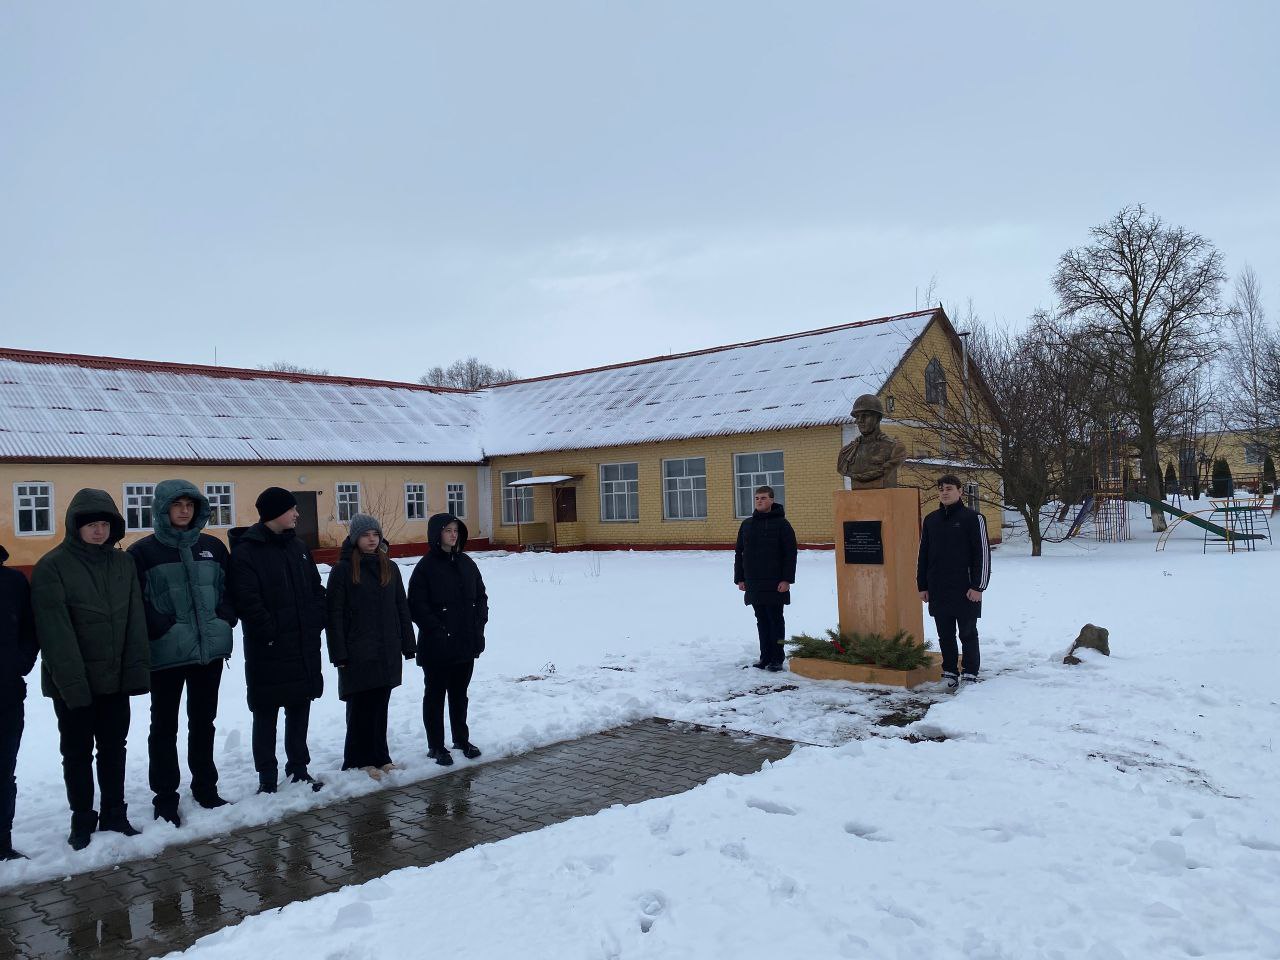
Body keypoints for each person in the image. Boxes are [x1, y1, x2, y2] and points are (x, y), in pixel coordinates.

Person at [31, 489, 150, 849]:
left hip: (114, 680)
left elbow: (134, 621)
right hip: (74, 683)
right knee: (77, 752)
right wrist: (73, 685)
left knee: (115, 748)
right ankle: (82, 819)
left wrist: (134, 671)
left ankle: (115, 812)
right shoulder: (53, 566)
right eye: (91, 525)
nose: (98, 531)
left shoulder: (123, 564)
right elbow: (55, 633)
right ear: (75, 527)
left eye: (104, 525)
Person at [127, 480, 235, 828]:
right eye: (178, 505)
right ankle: (165, 799)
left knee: (203, 723)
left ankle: (205, 788)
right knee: (163, 728)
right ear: (162, 509)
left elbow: (229, 589)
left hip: (208, 652)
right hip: (166, 654)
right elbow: (136, 602)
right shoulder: (143, 552)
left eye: (190, 504)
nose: (185, 511)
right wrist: (160, 627)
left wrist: (225, 617)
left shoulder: (213, 547)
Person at [228, 487, 326, 793]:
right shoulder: (246, 552)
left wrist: (313, 622)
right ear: (273, 513)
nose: (298, 514)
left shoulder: (298, 547)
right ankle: (267, 778)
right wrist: (271, 631)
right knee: (266, 713)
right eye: (292, 509)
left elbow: (315, 589)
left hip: (301, 645)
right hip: (268, 649)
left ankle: (299, 768)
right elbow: (248, 601)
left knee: (300, 708)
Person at [325, 514, 416, 779]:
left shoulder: (390, 567)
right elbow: (335, 614)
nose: (372, 539)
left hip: (386, 649)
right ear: (355, 538)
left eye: (375, 534)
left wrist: (408, 644)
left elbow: (401, 607)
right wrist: (339, 653)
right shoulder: (343, 569)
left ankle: (380, 756)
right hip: (357, 652)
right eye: (366, 535)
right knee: (360, 708)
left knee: (380, 706)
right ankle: (357, 759)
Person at [408, 512, 487, 767]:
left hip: (465, 643)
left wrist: (478, 624)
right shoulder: (426, 567)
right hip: (437, 646)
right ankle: (436, 745)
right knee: (434, 695)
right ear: (436, 534)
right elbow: (417, 606)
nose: (453, 535)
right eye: (448, 530)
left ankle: (461, 739)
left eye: (456, 530)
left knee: (459, 694)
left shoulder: (466, 563)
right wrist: (438, 630)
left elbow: (481, 596)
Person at [917, 474, 991, 690]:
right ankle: (949, 672)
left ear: (960, 491)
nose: (944, 492)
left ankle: (969, 673)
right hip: (939, 588)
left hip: (966, 588)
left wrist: (978, 586)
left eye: (949, 488)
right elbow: (924, 555)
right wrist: (922, 585)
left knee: (967, 632)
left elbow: (982, 555)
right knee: (944, 634)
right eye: (941, 489)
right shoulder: (931, 520)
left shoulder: (973, 518)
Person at [734, 486, 798, 672]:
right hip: (753, 581)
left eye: (763, 498)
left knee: (775, 619)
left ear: (772, 500)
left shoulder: (782, 524)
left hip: (775, 582)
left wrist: (786, 580)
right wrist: (740, 578)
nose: (759, 501)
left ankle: (777, 658)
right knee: (761, 619)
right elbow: (740, 553)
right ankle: (765, 657)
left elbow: (790, 554)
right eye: (756, 498)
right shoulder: (747, 524)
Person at [1, 543, 38, 860]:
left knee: (4, 772)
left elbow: (30, 627)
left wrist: (21, 661)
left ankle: (2, 843)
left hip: (7, 692)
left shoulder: (12, 582)